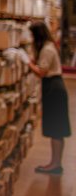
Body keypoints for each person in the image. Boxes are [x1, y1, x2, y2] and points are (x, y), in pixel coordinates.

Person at [25, 21, 71, 174]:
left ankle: (55, 164)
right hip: (54, 87)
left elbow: (41, 72)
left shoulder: (47, 49)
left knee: (56, 128)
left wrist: (26, 61)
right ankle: (55, 162)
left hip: (54, 89)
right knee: (57, 128)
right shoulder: (48, 46)